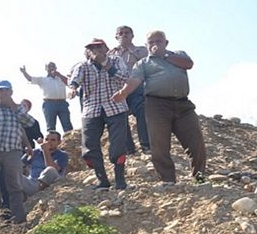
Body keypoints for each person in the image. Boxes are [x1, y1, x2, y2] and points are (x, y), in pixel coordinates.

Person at [112, 30, 206, 184]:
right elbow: (134, 80)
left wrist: (165, 56)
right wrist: (123, 93)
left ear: (166, 43)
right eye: (151, 42)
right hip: (157, 105)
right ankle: (168, 180)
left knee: (196, 142)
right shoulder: (143, 63)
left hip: (183, 105)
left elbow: (189, 64)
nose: (154, 45)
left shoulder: (178, 55)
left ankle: (199, 177)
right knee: (159, 145)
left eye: (158, 41)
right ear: (146, 45)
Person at [68, 38, 130, 190]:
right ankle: (102, 180)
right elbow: (74, 80)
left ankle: (120, 180)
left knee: (118, 146)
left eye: (98, 47)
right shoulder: (82, 66)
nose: (95, 50)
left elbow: (124, 78)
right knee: (89, 147)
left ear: (105, 48)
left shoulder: (116, 60)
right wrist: (72, 88)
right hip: (91, 109)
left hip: (115, 107)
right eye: (91, 48)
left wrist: (105, 64)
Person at [0, 80, 36, 224]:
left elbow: (29, 123)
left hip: (13, 150)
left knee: (15, 186)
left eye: (6, 90)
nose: (2, 93)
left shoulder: (17, 109)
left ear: (11, 92)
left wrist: (15, 107)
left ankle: (19, 221)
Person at [109, 25, 150, 154]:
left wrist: (130, 50)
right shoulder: (110, 54)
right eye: (121, 33)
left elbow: (146, 63)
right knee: (120, 118)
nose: (124, 35)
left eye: (127, 33)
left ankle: (146, 145)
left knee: (142, 112)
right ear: (116, 37)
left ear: (132, 35)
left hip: (136, 86)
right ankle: (128, 149)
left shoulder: (141, 50)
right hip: (118, 89)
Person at [19, 62, 71, 132]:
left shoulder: (61, 78)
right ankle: (51, 141)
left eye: (53, 67)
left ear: (56, 68)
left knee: (67, 125)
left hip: (62, 103)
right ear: (46, 69)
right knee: (51, 127)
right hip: (49, 103)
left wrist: (60, 75)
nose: (51, 68)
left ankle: (70, 141)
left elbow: (69, 83)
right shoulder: (43, 79)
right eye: (49, 67)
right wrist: (24, 72)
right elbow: (30, 79)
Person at [21, 130, 68, 197]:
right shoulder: (35, 152)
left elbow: (52, 168)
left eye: (53, 140)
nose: (49, 142)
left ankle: (38, 192)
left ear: (59, 142)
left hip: (51, 185)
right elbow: (19, 165)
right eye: (46, 139)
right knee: (13, 175)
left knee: (50, 170)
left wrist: (45, 151)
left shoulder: (62, 155)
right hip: (32, 183)